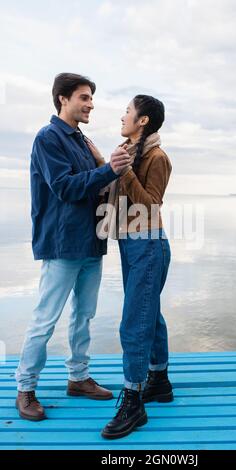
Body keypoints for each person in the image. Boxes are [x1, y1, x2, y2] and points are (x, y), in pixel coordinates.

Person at [15, 73, 131, 421]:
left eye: (91, 98)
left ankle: (78, 378)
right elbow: (65, 188)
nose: (91, 104)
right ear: (63, 99)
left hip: (91, 242)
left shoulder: (82, 140)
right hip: (63, 245)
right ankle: (25, 388)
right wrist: (109, 169)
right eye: (84, 97)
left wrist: (108, 171)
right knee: (45, 320)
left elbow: (92, 187)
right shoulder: (48, 138)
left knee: (85, 315)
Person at [88, 95, 173, 439]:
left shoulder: (157, 157)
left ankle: (134, 400)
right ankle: (160, 380)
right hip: (131, 243)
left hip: (149, 242)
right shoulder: (129, 150)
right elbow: (116, 184)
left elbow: (150, 205)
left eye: (128, 111)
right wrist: (104, 163)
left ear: (143, 121)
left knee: (134, 320)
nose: (123, 115)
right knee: (148, 313)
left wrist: (122, 170)